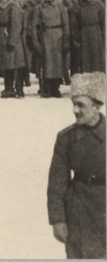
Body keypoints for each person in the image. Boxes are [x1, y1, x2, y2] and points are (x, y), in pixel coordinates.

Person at [47, 72, 106, 259]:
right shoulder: (66, 138)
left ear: (97, 106)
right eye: (74, 104)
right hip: (78, 212)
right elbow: (57, 182)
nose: (75, 110)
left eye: (81, 105)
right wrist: (58, 220)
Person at [30, 0, 69, 98]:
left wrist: (66, 39)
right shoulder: (39, 8)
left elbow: (66, 24)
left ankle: (56, 87)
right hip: (45, 36)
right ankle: (46, 88)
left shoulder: (60, 7)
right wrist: (35, 40)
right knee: (46, 62)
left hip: (58, 36)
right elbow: (34, 25)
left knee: (57, 63)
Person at [0, 0, 25, 98]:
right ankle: (8, 88)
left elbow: (16, 25)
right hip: (1, 38)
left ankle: (19, 89)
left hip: (10, 38)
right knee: (6, 64)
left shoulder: (13, 7)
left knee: (15, 63)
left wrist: (12, 41)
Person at [68, 0, 105, 75]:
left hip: (96, 34)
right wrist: (75, 40)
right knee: (84, 60)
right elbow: (73, 25)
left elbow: (103, 23)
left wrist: (104, 37)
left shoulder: (99, 6)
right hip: (83, 34)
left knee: (97, 59)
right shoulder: (77, 7)